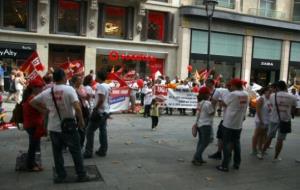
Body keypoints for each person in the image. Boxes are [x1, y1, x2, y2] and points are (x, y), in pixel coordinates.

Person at [30, 69, 90, 183]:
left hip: (54, 128)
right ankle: (81, 174)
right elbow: (77, 107)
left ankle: (61, 176)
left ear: (54, 79)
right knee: (76, 151)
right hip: (70, 127)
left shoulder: (48, 91)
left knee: (57, 154)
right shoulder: (69, 90)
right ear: (64, 78)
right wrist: (81, 121)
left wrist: (44, 111)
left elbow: (32, 102)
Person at [216, 78, 248, 172]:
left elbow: (224, 104)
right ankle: (237, 163)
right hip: (238, 123)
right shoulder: (246, 94)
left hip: (229, 123)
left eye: (231, 85)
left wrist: (220, 101)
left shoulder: (233, 94)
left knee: (227, 144)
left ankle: (225, 165)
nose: (230, 87)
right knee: (236, 144)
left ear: (234, 85)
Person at [261, 81, 297, 162]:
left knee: (269, 137)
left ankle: (262, 153)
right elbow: (293, 109)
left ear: (277, 87)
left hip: (273, 119)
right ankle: (275, 157)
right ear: (285, 87)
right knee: (280, 140)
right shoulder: (292, 97)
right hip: (285, 120)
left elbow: (270, 105)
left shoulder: (273, 96)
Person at [84, 71, 110, 158]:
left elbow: (101, 99)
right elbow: (103, 98)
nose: (95, 78)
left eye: (96, 76)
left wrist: (95, 108)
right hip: (105, 111)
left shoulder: (101, 86)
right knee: (103, 131)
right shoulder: (107, 86)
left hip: (99, 112)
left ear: (99, 77)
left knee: (89, 131)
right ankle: (103, 150)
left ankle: (88, 151)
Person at [22, 79, 45, 172]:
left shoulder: (33, 97)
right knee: (33, 146)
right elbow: (43, 110)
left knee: (35, 146)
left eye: (42, 86)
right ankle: (30, 165)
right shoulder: (32, 98)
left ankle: (34, 163)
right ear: (34, 88)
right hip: (33, 125)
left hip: (33, 124)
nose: (42, 88)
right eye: (39, 87)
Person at [192, 87, 215, 166]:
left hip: (199, 124)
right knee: (205, 142)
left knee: (201, 141)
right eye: (209, 93)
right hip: (206, 125)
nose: (210, 95)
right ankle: (196, 157)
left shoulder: (200, 102)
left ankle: (199, 158)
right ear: (207, 94)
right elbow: (211, 112)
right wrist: (214, 105)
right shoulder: (208, 103)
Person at [70, 75, 90, 147]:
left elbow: (87, 97)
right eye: (79, 79)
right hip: (77, 111)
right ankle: (78, 144)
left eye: (81, 79)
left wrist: (87, 96)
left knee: (83, 128)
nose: (81, 80)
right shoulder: (72, 90)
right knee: (79, 129)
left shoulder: (82, 87)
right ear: (75, 81)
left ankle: (80, 144)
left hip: (84, 109)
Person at [252, 87, 272, 159]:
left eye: (271, 92)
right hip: (260, 120)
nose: (270, 93)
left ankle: (260, 148)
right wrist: (261, 120)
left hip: (267, 120)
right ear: (265, 92)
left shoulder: (269, 99)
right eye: (269, 92)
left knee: (263, 135)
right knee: (257, 135)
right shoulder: (261, 99)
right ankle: (254, 149)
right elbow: (258, 110)